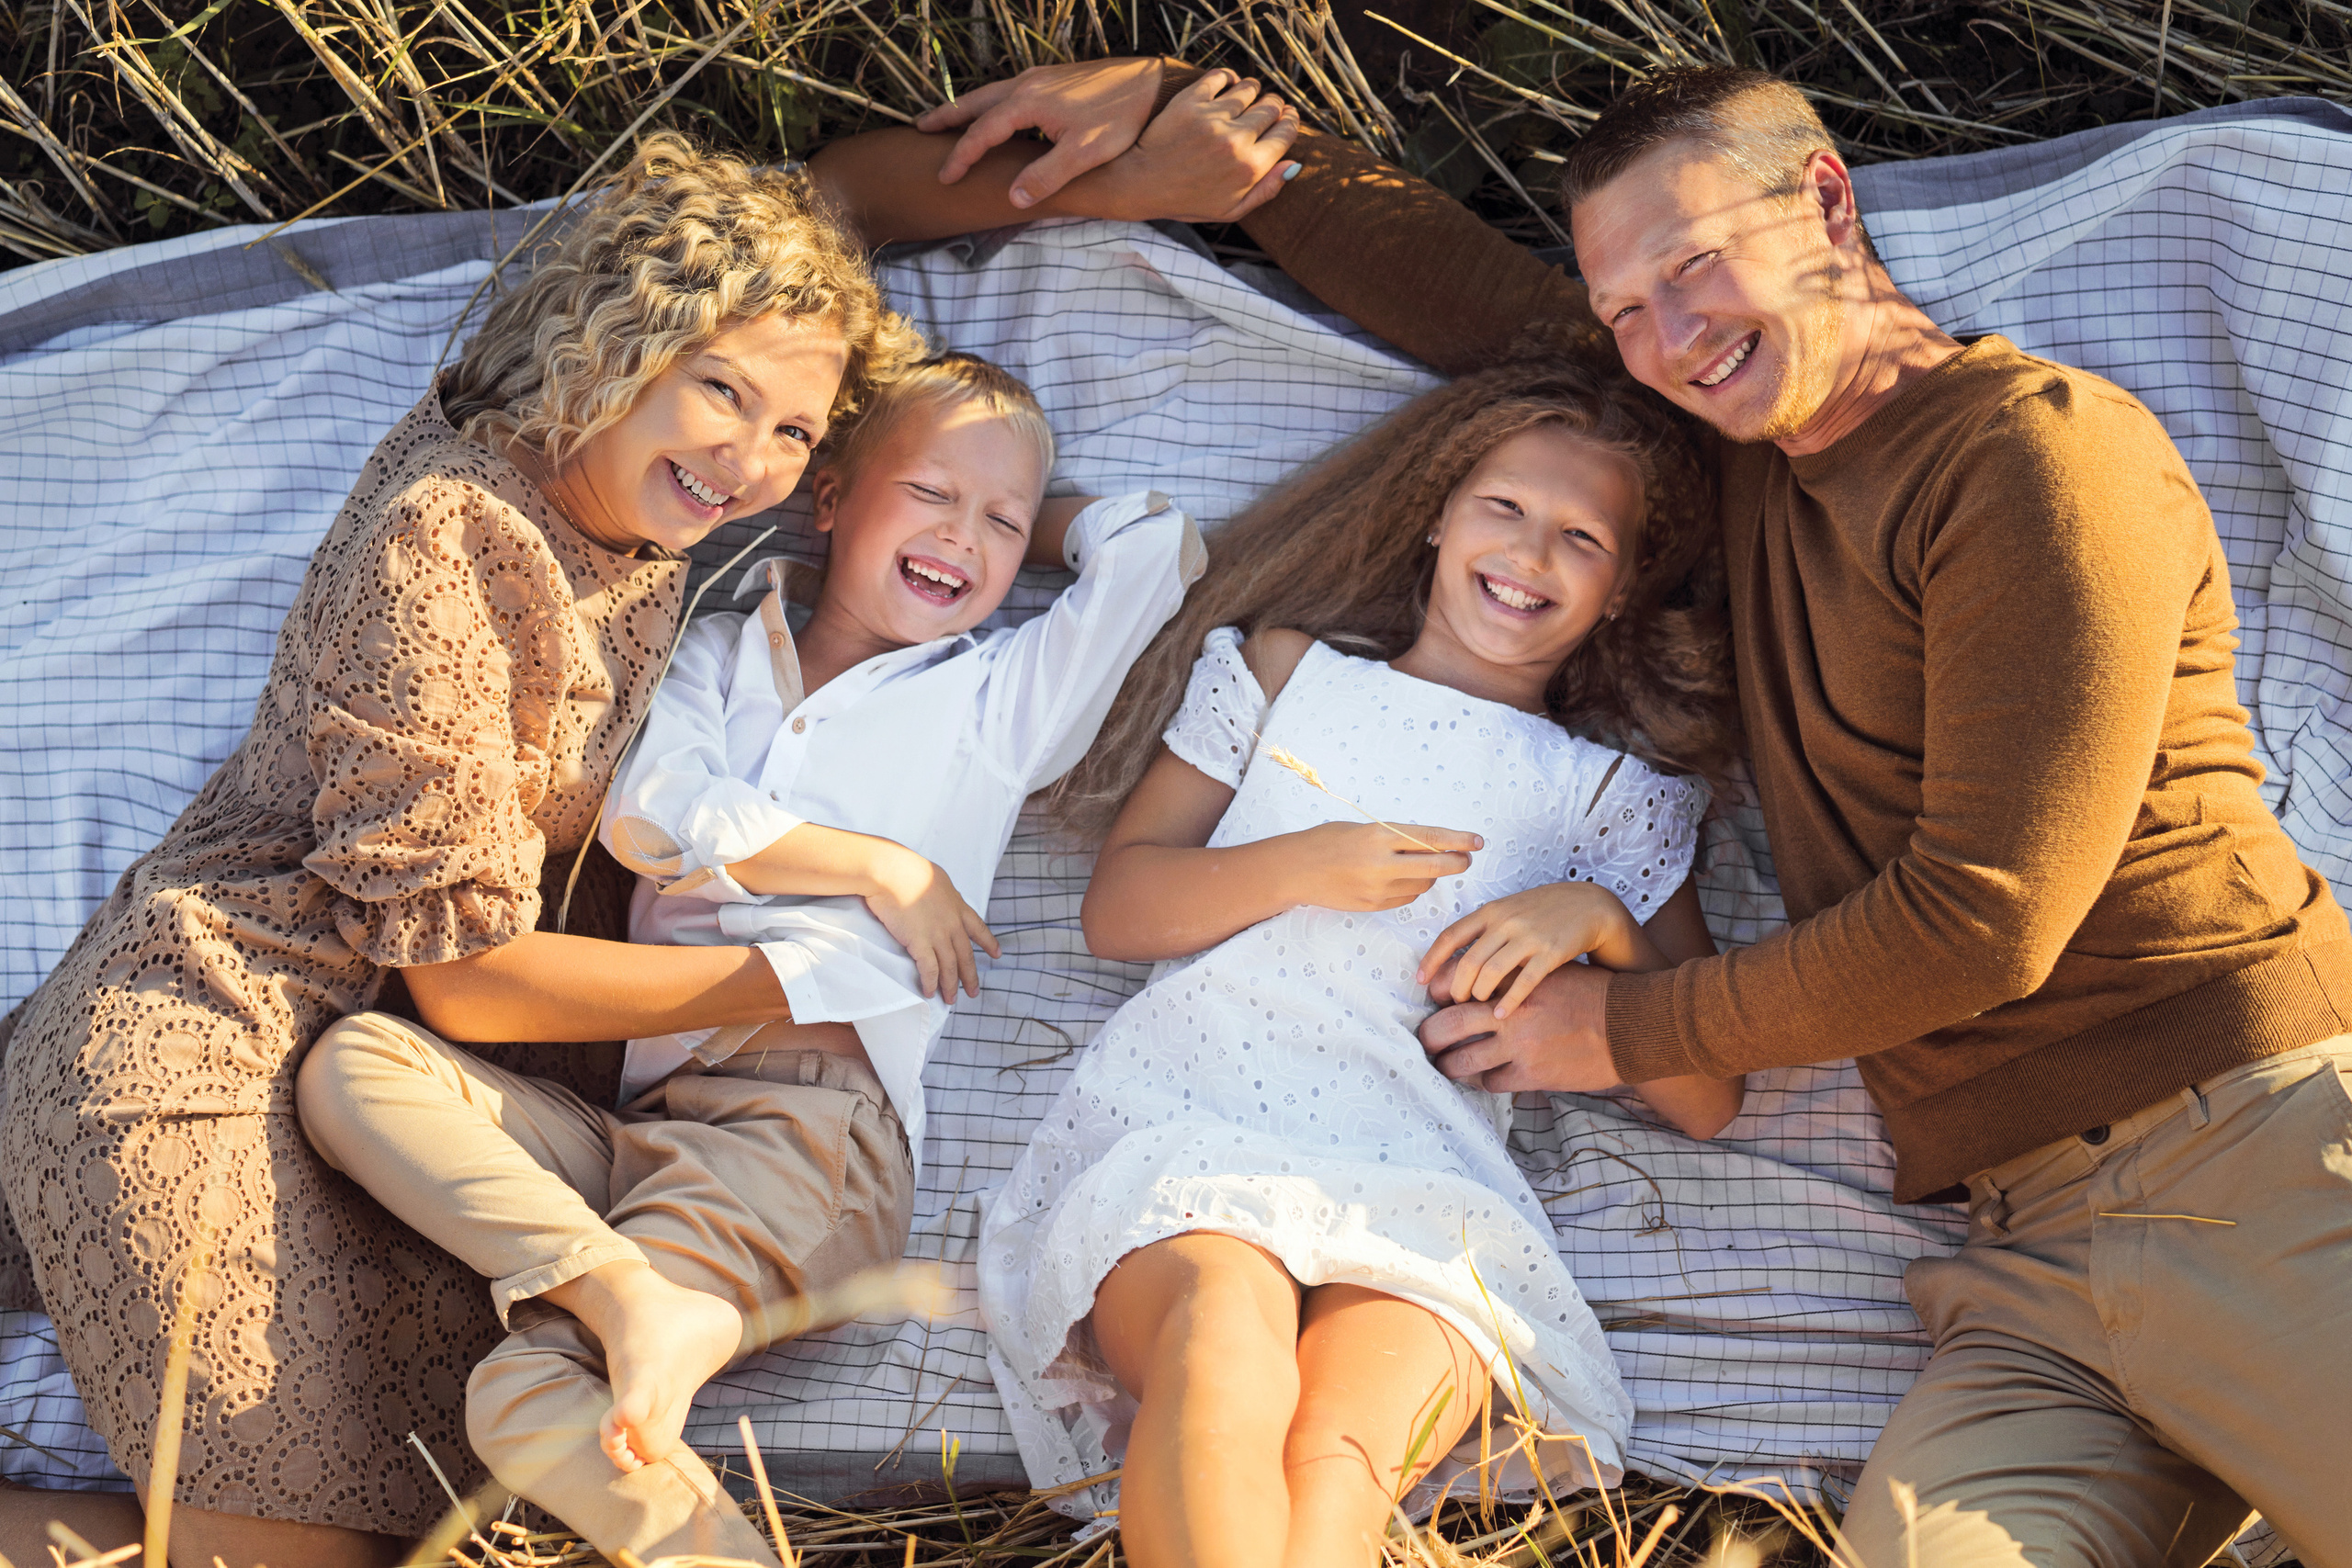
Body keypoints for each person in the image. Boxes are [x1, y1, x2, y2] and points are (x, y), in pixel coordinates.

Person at [890, 57, 2352, 1567]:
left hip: (2240, 1135)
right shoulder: (1735, 462)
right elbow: (1511, 350)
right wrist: (1244, 160)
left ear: (1827, 203)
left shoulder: (2033, 458)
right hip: (2031, 1255)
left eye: (1696, 266)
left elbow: (1986, 917)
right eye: (1626, 310)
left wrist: (1616, 1025)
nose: (1670, 338)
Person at [0, 73, 1299, 1568]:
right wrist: (814, 976)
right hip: (225, 1040)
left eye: (796, 428)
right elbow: (468, 978)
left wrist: (1129, 182)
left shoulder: (660, 515)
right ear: (615, 343)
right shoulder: (448, 549)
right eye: (720, 393)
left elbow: (834, 213)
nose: (750, 458)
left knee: (441, 1498)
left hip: (418, 1115)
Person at [293, 354, 1202, 1565]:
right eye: (929, 493)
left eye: (998, 520)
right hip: (646, 1126)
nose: (964, 536)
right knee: (354, 1069)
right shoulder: (721, 648)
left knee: (519, 1400)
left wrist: (1029, 516)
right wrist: (881, 871)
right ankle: (627, 1293)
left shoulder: (997, 703)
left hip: (804, 1137)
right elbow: (652, 814)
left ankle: (656, 1372)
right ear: (828, 497)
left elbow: (1158, 548)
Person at [979, 359, 1745, 1568]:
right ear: (1440, 515)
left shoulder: (1608, 800)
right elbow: (1119, 910)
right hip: (1195, 1123)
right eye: (1503, 510)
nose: (1529, 554)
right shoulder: (1285, 672)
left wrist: (1596, 920)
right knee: (1217, 1363)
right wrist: (1299, 864)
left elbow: (1705, 1100)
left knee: (1336, 1456)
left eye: (1581, 538)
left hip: (1422, 1176)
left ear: (1622, 588)